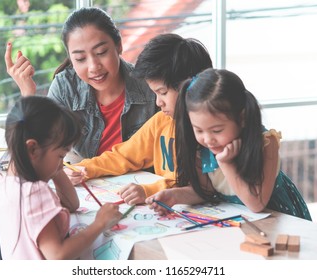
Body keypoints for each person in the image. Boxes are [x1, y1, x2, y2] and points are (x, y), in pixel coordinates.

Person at [66, 33, 213, 205]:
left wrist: (148, 191)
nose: (158, 102)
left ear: (191, 86)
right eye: (155, 93)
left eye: (163, 93)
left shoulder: (210, 131)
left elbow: (200, 186)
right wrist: (84, 169)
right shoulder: (161, 122)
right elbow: (123, 156)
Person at [147, 68, 311, 220]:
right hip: (234, 219)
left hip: (275, 218)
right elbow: (206, 191)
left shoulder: (266, 143)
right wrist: (174, 196)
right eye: (198, 130)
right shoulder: (202, 147)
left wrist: (226, 163)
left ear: (242, 118)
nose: (208, 139)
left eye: (217, 130)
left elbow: (257, 204)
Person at [5, 7, 158, 159]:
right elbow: (38, 149)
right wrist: (27, 94)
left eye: (101, 52)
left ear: (118, 45)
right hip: (87, 181)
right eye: (80, 59)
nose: (93, 67)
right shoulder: (65, 87)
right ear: (71, 59)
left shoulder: (151, 87)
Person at [0, 96, 122, 260]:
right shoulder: (34, 193)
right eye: (61, 155)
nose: (62, 164)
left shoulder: (6, 182)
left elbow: (71, 205)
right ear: (33, 149)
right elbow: (57, 255)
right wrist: (99, 224)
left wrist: (56, 171)